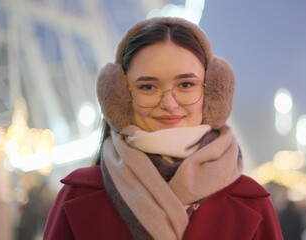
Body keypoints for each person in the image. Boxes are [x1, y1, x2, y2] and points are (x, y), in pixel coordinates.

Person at [43, 17, 283, 240]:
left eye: (186, 84)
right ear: (118, 97)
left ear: (212, 93)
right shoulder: (78, 195)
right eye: (148, 87)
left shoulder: (252, 202)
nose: (169, 103)